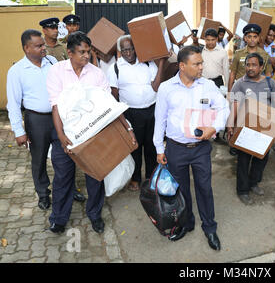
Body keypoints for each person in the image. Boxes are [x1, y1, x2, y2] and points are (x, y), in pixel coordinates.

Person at [46, 31, 136, 234]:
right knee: (63, 178)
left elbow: (110, 105)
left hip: (94, 135)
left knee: (95, 176)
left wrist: (127, 128)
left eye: (88, 52)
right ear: (70, 53)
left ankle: (95, 215)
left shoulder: (96, 73)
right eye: (82, 52)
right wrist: (61, 137)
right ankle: (59, 218)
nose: (86, 56)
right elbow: (56, 106)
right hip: (66, 135)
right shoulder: (57, 72)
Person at [153, 46, 230, 250]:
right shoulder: (166, 88)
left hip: (200, 148)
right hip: (176, 148)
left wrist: (214, 127)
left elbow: (223, 107)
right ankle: (186, 223)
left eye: (201, 62)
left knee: (204, 188)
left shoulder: (208, 86)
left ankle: (210, 227)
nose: (201, 67)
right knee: (181, 190)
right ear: (182, 66)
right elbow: (159, 120)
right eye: (197, 64)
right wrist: (159, 149)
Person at [6, 30, 57, 210]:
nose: (44, 48)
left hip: (58, 118)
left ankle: (67, 189)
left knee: (64, 157)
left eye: (43, 44)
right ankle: (43, 194)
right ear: (26, 48)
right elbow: (12, 104)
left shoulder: (52, 62)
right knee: (39, 158)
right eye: (39, 46)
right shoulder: (16, 71)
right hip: (36, 120)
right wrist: (19, 132)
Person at [107, 35, 165, 191]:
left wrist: (161, 65)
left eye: (131, 48)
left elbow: (155, 87)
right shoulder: (115, 68)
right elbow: (114, 95)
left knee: (152, 145)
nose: (128, 53)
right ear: (120, 51)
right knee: (135, 147)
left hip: (152, 109)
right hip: (131, 112)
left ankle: (151, 177)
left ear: (136, 48)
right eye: (124, 49)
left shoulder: (147, 63)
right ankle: (136, 178)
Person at [227, 53, 275, 205]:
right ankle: (243, 190)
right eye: (247, 65)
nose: (250, 68)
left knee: (261, 158)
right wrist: (230, 126)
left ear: (261, 67)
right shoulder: (240, 83)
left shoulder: (270, 83)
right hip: (246, 128)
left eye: (253, 65)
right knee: (243, 161)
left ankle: (254, 183)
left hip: (265, 128)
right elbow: (234, 105)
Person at [228, 24, 270, 92]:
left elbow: (268, 74)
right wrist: (230, 93)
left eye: (255, 37)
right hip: (241, 89)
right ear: (245, 38)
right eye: (249, 37)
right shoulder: (238, 53)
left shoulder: (265, 55)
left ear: (259, 38)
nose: (252, 39)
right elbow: (233, 73)